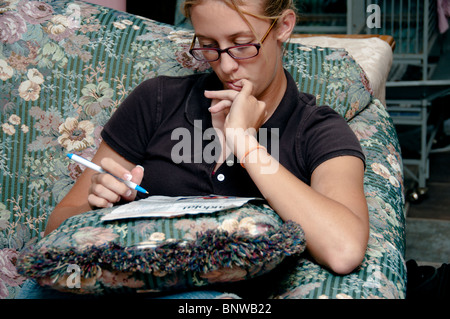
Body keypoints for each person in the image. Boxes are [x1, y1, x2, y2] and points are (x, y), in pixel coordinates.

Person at [21, 0, 369, 298]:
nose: (227, 65)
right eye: (209, 46)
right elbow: (57, 230)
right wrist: (101, 206)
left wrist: (244, 144)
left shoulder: (316, 128)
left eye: (243, 44)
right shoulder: (157, 101)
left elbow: (343, 250)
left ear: (284, 26)